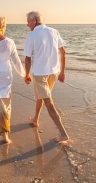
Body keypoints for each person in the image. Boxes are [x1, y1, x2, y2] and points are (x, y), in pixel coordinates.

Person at [24, 11, 69, 144]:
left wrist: (26, 74)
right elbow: (63, 52)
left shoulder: (31, 35)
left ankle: (63, 133)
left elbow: (27, 58)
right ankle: (35, 119)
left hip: (40, 74)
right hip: (54, 73)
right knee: (42, 96)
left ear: (34, 21)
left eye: (28, 21)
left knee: (48, 102)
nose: (27, 24)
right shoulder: (54, 31)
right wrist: (62, 72)